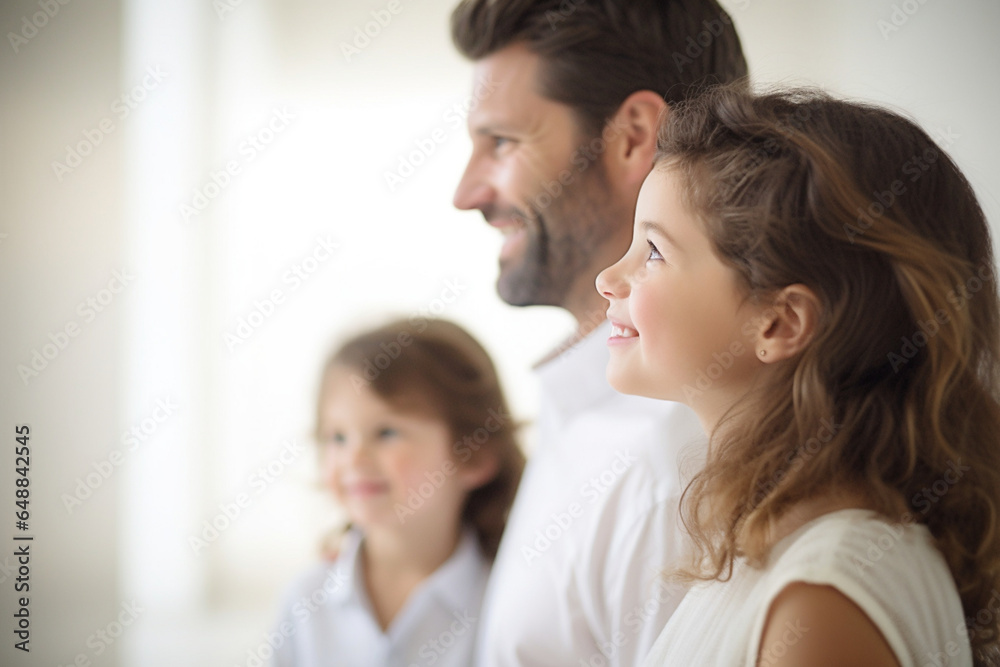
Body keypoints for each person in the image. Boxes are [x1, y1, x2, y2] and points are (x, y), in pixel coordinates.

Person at [596, 84, 1000, 666]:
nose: (610, 277)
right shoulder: (766, 554)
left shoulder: (820, 597)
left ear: (779, 322)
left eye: (653, 251)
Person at [449, 1, 747, 664]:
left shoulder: (667, 469)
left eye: (501, 142)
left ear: (634, 136)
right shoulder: (590, 413)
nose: (466, 192)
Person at [270, 319, 525, 667]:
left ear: (474, 456)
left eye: (387, 433)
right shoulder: (304, 602)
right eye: (338, 437)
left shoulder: (509, 601)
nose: (354, 458)